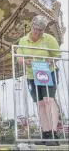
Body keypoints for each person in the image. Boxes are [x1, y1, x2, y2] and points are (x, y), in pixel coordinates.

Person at [16, 15, 62, 146]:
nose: (38, 32)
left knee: (49, 100)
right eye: (36, 29)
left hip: (48, 72)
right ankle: (46, 132)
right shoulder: (23, 40)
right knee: (40, 104)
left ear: (44, 30)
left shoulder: (49, 39)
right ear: (31, 27)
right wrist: (25, 61)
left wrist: (48, 61)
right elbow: (19, 57)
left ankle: (54, 133)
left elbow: (57, 54)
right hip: (32, 75)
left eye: (41, 30)